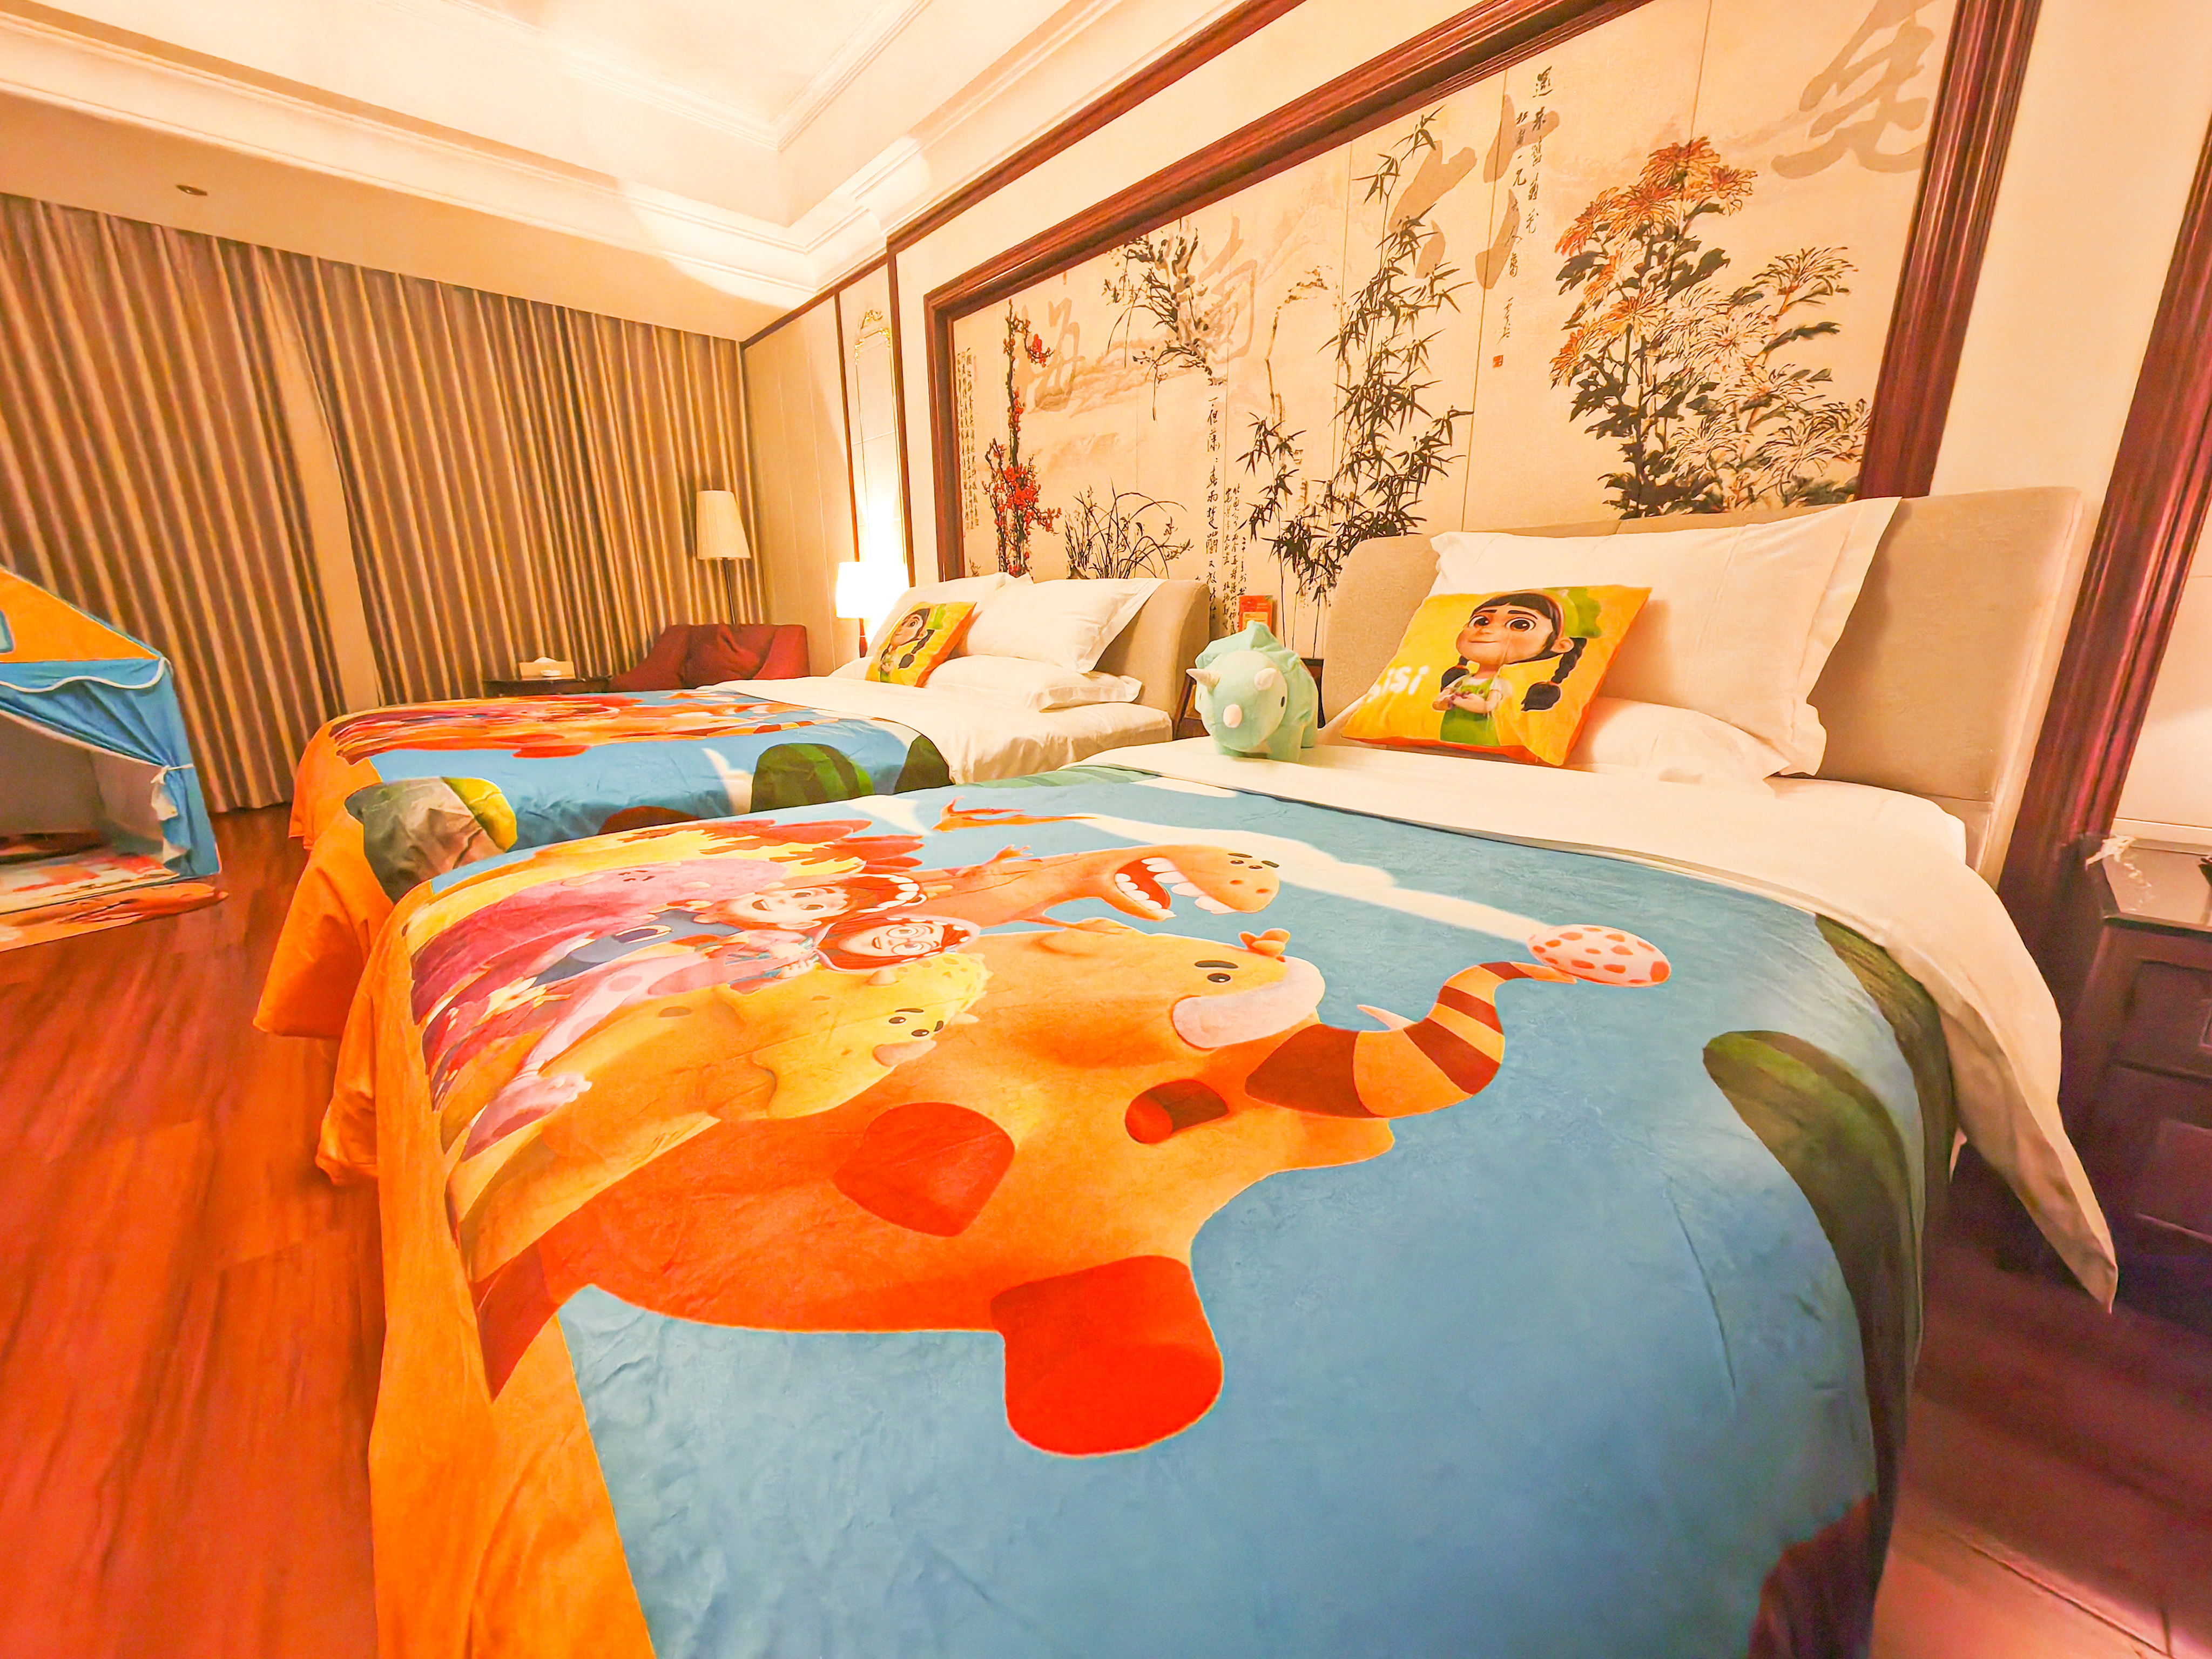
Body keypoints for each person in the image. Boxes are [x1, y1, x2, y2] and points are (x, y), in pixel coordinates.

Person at [1431, 590, 1587, 746]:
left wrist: (1462, 701)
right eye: (1482, 621)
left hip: (1480, 738)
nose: (1486, 630)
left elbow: (1488, 706)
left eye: (1520, 625)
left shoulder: (1500, 684)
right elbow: (1438, 702)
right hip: (1448, 733)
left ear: (1561, 645)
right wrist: (1444, 702)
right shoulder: (1462, 680)